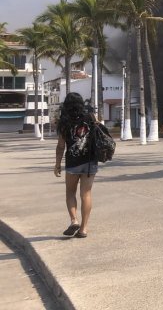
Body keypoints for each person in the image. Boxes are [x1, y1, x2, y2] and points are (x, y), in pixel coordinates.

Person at [54, 92, 98, 238]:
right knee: (86, 194)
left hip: (73, 162)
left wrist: (57, 164)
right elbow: (98, 130)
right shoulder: (90, 117)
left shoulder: (64, 122)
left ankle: (74, 220)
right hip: (90, 160)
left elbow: (61, 146)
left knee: (70, 193)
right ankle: (84, 229)